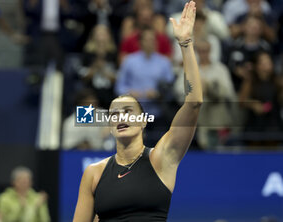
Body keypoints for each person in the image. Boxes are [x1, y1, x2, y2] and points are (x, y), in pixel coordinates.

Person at [73, 1, 202, 221]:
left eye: (128, 111)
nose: (121, 117)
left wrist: (185, 43)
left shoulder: (162, 157)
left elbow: (194, 102)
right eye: (114, 114)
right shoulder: (93, 173)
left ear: (143, 121)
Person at [79, 24, 117, 108]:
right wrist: (95, 67)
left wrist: (104, 70)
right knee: (84, 118)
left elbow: (117, 77)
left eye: (104, 34)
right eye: (99, 34)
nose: (101, 37)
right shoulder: (87, 53)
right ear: (93, 36)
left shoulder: (114, 54)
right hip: (90, 92)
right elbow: (83, 77)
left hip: (110, 93)